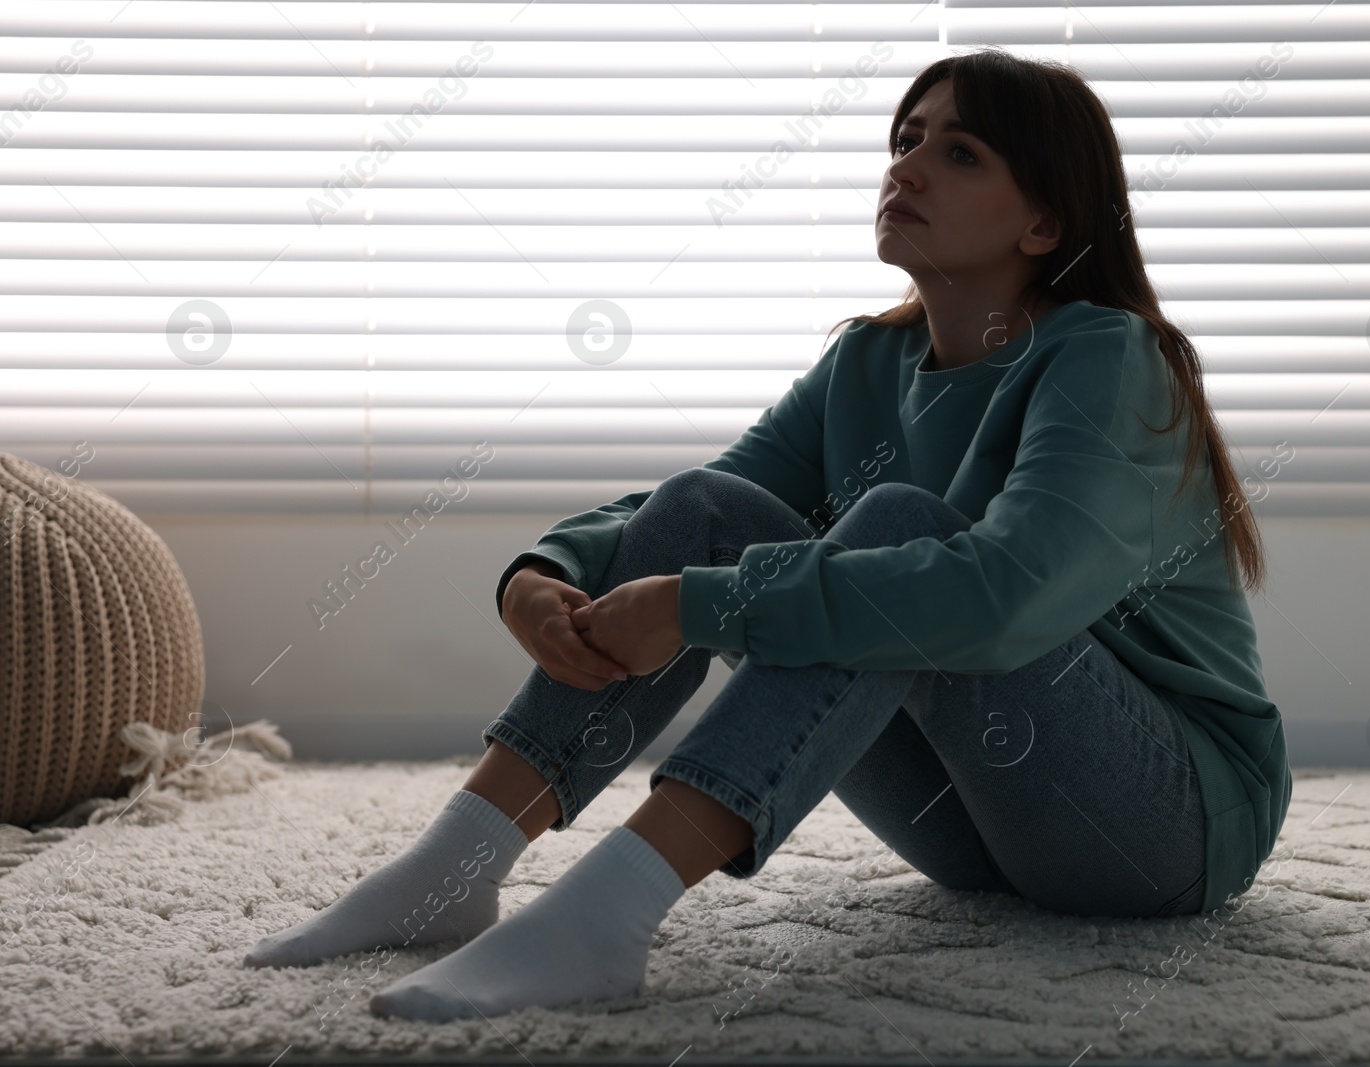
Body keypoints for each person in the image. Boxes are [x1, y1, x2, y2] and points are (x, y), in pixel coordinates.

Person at [242, 48, 1292, 1022]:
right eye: (905, 139)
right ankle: (456, 866)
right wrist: (547, 570)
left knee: (895, 532)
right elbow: (704, 504)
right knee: (708, 508)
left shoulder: (1108, 356)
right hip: (980, 828)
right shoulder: (864, 367)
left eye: (958, 150)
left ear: (1044, 225)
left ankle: (606, 914)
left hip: (1162, 828)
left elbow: (1003, 594)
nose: (909, 165)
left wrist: (706, 606)